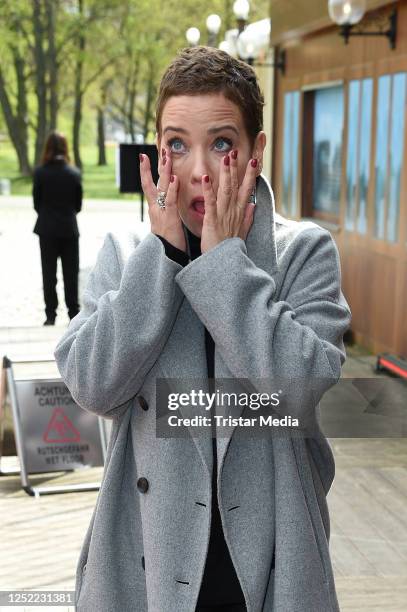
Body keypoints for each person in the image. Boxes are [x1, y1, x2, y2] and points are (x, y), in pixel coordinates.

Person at [54, 47, 352, 612]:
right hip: (146, 560)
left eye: (221, 144)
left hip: (273, 562)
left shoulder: (302, 253)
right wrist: (161, 258)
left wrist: (222, 266)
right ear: (156, 150)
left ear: (256, 151)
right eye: (176, 144)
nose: (197, 170)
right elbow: (91, 385)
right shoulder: (125, 256)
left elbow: (299, 386)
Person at [33, 131, 82, 326]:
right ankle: (73, 312)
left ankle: (50, 314)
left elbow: (36, 203)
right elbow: (78, 205)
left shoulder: (40, 172)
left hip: (46, 228)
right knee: (71, 273)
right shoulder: (74, 173)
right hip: (69, 228)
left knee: (49, 273)